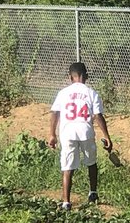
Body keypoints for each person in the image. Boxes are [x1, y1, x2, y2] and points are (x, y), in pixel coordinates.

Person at [48, 62, 112, 209]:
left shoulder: (63, 93)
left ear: (70, 77)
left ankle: (66, 202)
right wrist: (107, 136)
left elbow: (55, 113)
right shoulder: (92, 93)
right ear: (86, 77)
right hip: (86, 131)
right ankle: (93, 192)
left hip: (67, 132)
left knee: (67, 166)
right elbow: (98, 116)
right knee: (91, 162)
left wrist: (52, 134)